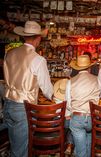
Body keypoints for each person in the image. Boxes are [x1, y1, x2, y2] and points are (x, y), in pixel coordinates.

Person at [3, 21, 53, 157]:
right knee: (21, 151)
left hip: (7, 104)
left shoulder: (9, 53)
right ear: (38, 38)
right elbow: (47, 89)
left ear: (24, 36)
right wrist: (51, 97)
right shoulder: (38, 59)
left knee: (14, 144)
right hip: (23, 108)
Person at [67, 55, 100, 157]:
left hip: (77, 118)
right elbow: (100, 96)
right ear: (89, 67)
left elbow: (68, 103)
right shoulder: (97, 79)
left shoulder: (70, 81)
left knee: (80, 151)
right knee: (89, 144)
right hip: (92, 118)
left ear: (77, 68)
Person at [53, 78, 74, 155]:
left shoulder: (55, 98)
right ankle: (69, 144)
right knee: (72, 126)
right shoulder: (71, 98)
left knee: (64, 125)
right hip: (68, 120)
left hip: (57, 121)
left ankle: (57, 144)